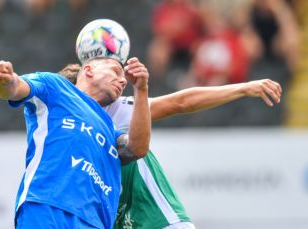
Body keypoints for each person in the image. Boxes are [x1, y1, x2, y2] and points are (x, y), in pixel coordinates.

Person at [58, 63, 282, 229]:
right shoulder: (67, 144)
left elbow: (180, 102)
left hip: (161, 222)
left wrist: (244, 88)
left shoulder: (112, 111)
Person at [0, 57, 151, 229]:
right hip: (47, 207)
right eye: (115, 71)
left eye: (124, 78)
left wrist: (141, 89)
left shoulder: (111, 129)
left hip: (95, 223)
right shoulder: (56, 87)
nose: (123, 80)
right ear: (89, 69)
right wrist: (6, 80)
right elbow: (14, 88)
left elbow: (138, 148)